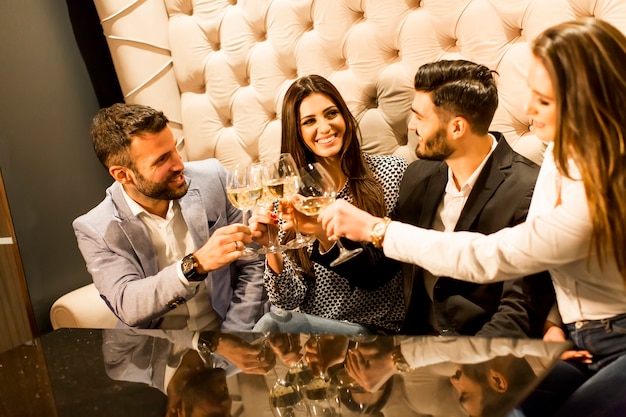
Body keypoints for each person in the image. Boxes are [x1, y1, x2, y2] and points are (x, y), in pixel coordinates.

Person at [319, 17, 626, 416]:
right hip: (581, 339)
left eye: (545, 101)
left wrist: (376, 227)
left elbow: (496, 257)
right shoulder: (558, 153)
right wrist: (555, 326)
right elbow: (557, 262)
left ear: (588, 101)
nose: (529, 110)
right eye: (532, 94)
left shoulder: (596, 179)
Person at [324, 59, 555, 337]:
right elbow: (378, 272)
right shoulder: (418, 177)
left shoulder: (528, 189)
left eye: (420, 116)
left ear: (457, 128)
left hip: (480, 352)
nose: (411, 126)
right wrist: (321, 233)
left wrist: (469, 365)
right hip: (415, 348)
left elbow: (520, 309)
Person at [73, 103, 267, 331]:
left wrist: (235, 334)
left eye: (175, 149)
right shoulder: (95, 228)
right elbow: (128, 304)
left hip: (229, 331)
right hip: (158, 351)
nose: (179, 164)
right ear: (123, 174)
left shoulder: (213, 178)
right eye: (161, 160)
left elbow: (254, 263)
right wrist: (195, 265)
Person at [250, 74, 408, 334]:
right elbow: (287, 301)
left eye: (331, 113)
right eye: (309, 121)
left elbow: (377, 276)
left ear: (345, 116)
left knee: (270, 325)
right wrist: (272, 248)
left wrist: (324, 235)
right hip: (313, 339)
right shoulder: (289, 196)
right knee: (274, 321)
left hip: (375, 332)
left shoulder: (389, 175)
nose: (324, 128)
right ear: (297, 133)